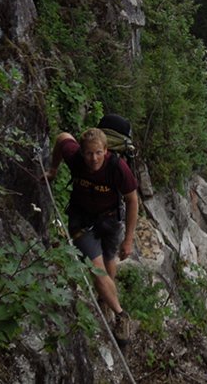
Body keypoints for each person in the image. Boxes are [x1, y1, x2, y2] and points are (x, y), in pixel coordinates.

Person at [45, 127, 139, 345]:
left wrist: (128, 240)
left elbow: (133, 200)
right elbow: (62, 138)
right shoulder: (75, 157)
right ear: (82, 152)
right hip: (82, 220)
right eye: (88, 153)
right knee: (98, 272)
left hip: (109, 220)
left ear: (106, 150)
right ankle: (121, 315)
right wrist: (53, 169)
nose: (93, 158)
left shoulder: (117, 167)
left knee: (109, 262)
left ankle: (105, 301)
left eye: (98, 152)